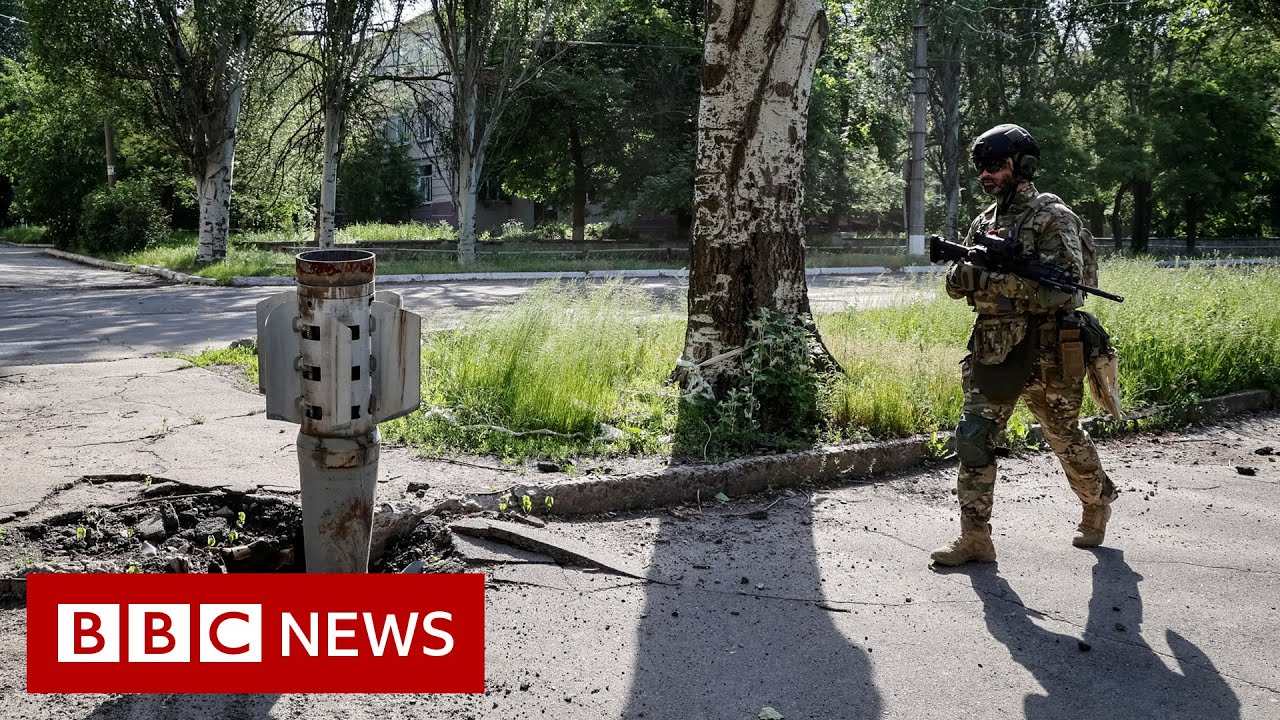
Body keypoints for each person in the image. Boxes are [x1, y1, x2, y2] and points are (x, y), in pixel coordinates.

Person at [931, 123, 1118, 567]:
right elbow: (957, 284)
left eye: (995, 165)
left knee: (1064, 438)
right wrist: (967, 277)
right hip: (994, 349)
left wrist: (996, 281)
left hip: (1050, 351)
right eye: (981, 168)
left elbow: (1070, 291)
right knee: (974, 438)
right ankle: (975, 537)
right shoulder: (985, 222)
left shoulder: (1053, 217)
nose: (986, 175)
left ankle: (1097, 501)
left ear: (1022, 165)